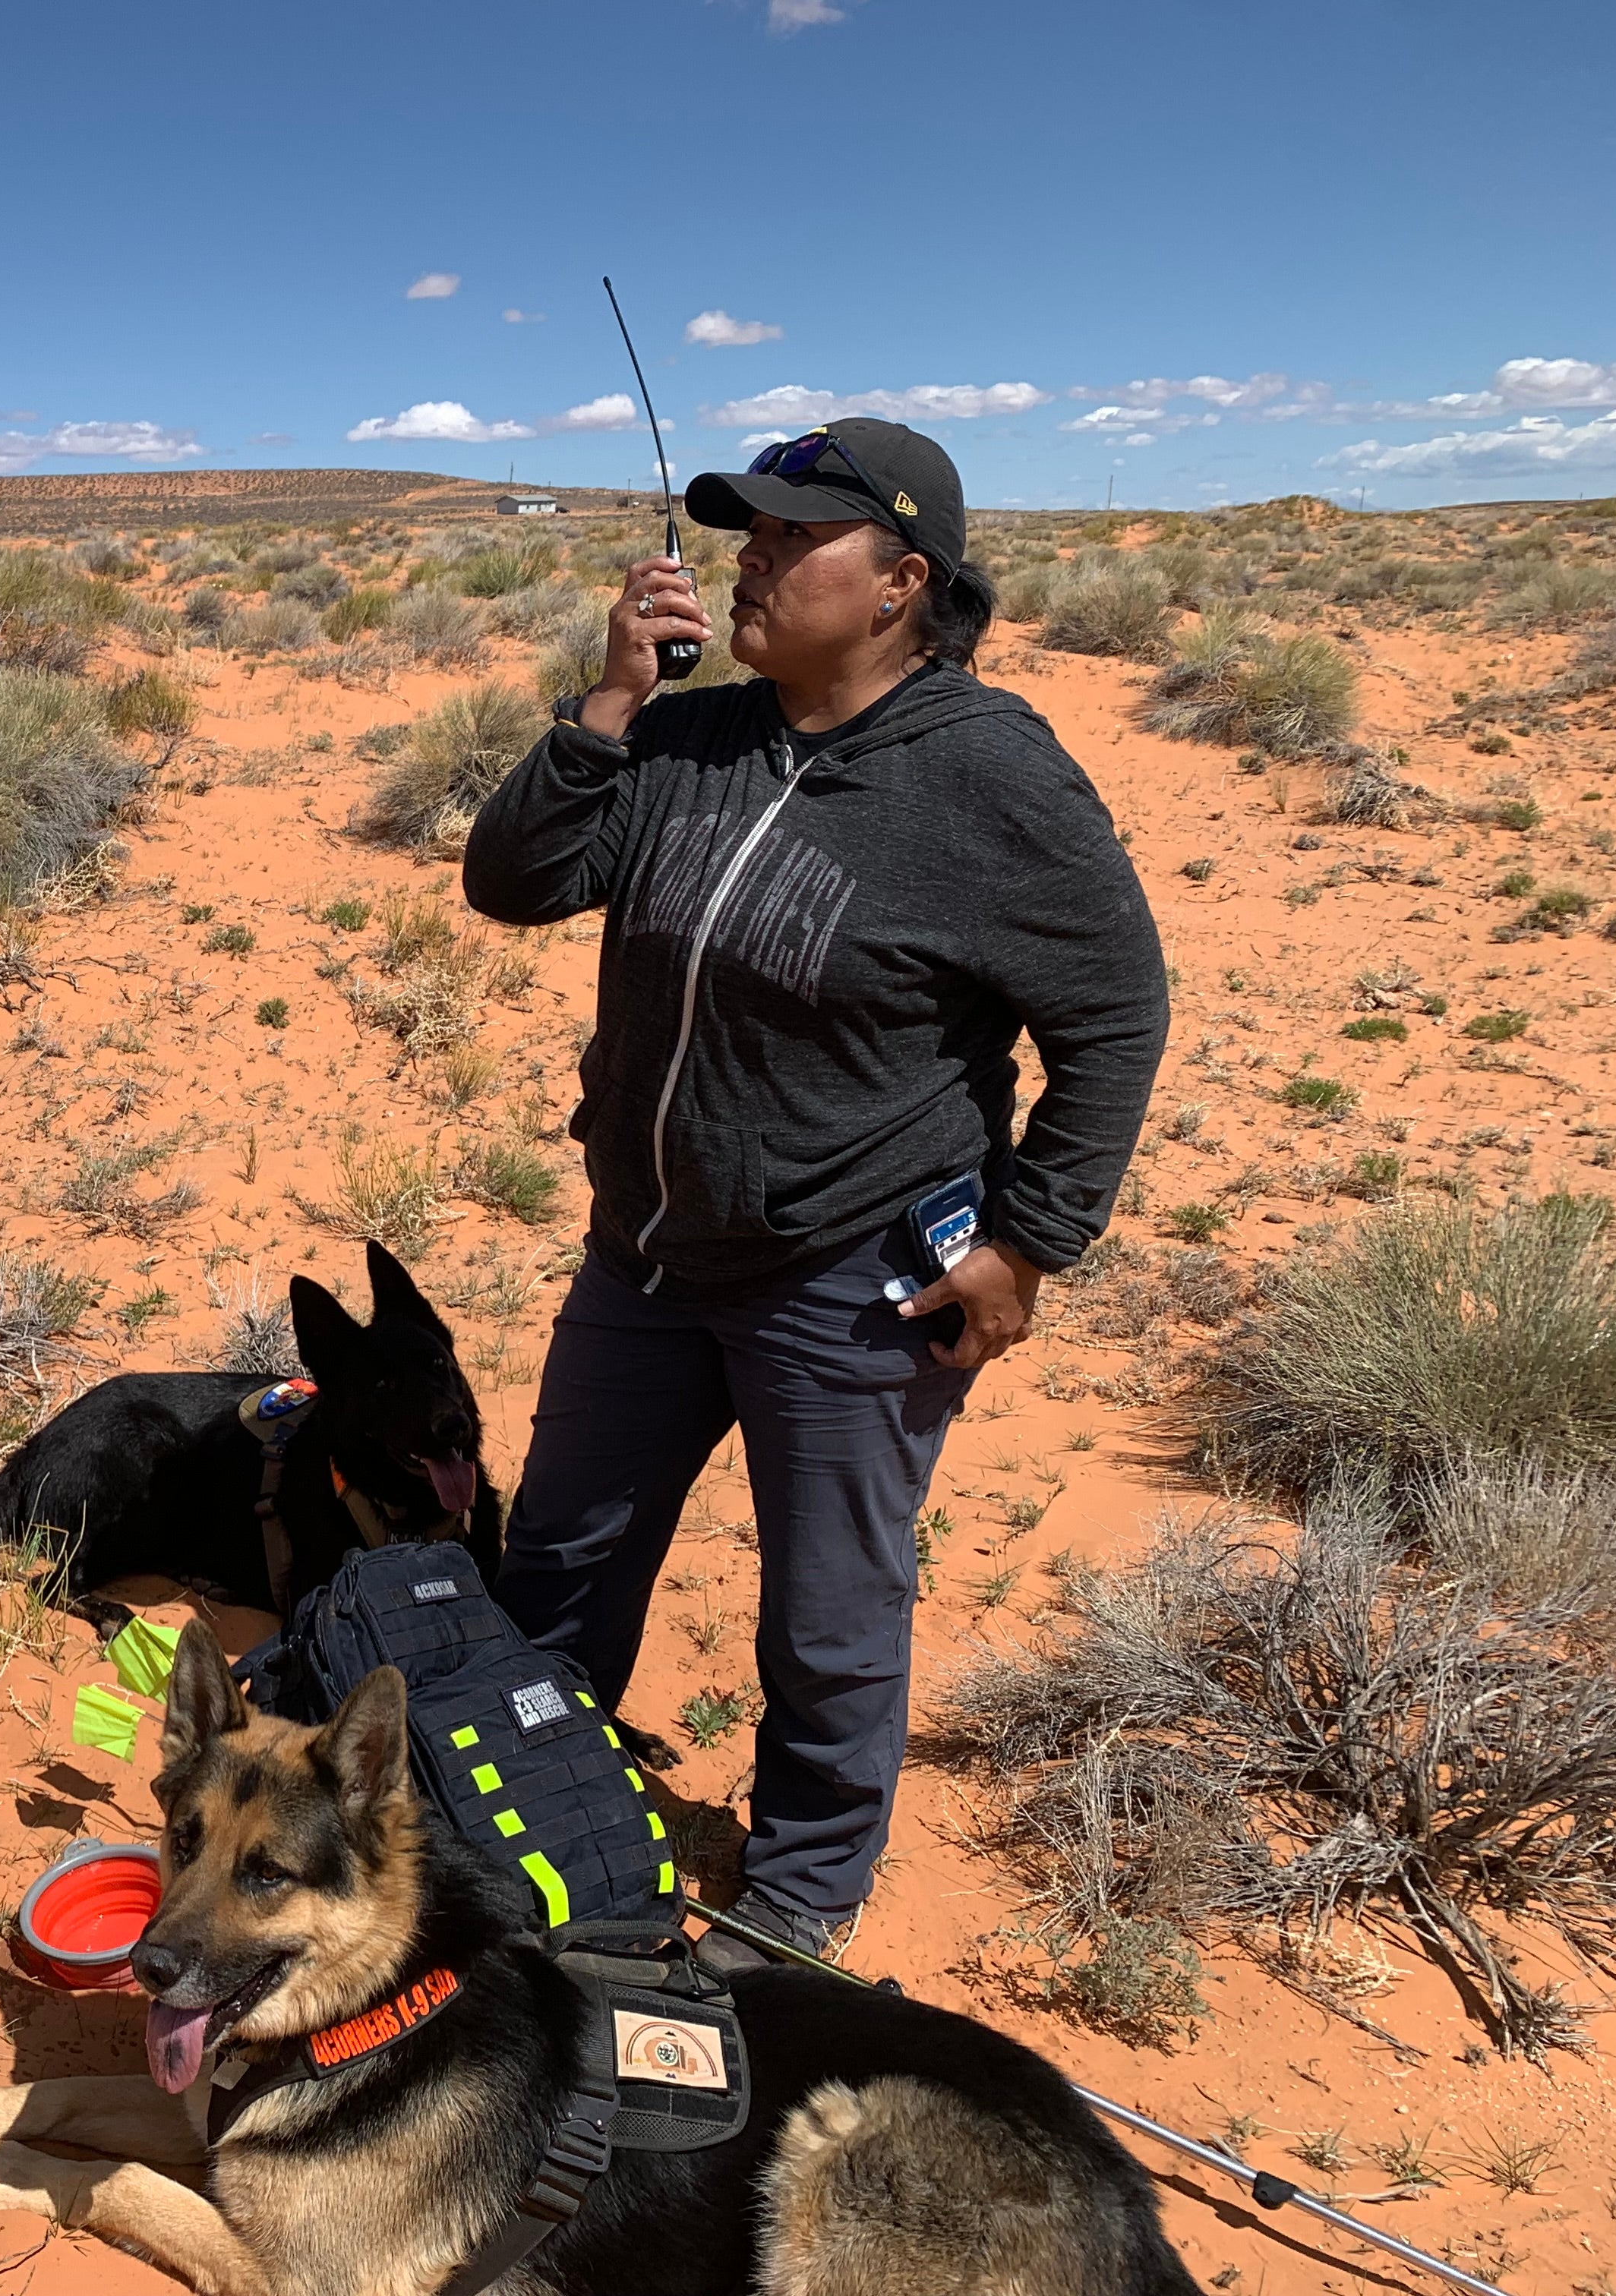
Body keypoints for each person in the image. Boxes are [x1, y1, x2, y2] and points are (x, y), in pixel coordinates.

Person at [459, 418, 1166, 1971]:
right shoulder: (693, 741)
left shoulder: (991, 777)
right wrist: (608, 708)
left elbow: (1113, 1013)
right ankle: (525, 1815)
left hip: (848, 1271)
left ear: (903, 582)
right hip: (645, 1251)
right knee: (566, 1555)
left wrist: (1032, 1241)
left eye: (792, 538)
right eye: (746, 535)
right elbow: (512, 882)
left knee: (830, 1611)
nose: (750, 561)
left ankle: (795, 1900)